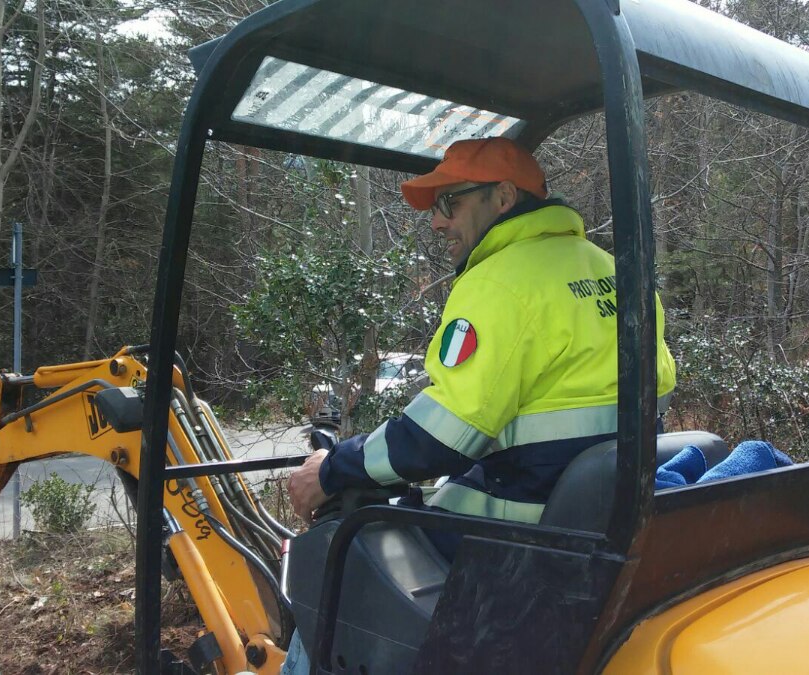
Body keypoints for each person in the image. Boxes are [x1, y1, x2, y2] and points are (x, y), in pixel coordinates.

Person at [281, 137, 675, 673]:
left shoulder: (500, 283)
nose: (438, 223)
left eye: (451, 202)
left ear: (504, 197)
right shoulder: (618, 272)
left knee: (338, 564)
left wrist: (334, 468)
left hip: (514, 547)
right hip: (599, 529)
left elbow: (441, 436)